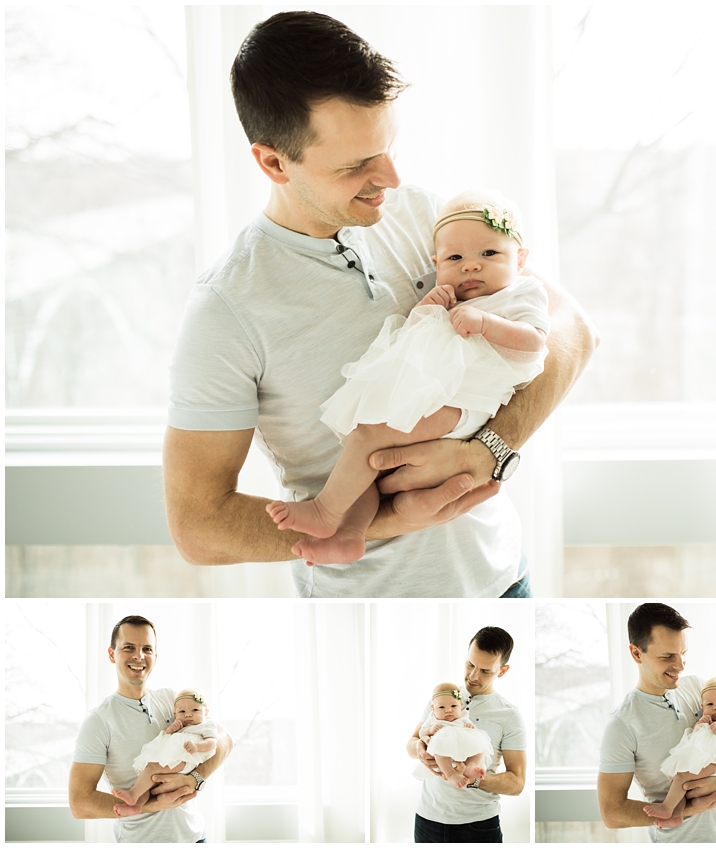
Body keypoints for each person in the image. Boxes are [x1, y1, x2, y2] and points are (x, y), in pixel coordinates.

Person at [163, 10, 599, 598]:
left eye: (388, 148)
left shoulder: (426, 217)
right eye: (355, 166)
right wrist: (388, 521)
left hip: (505, 579)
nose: (389, 178)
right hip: (366, 607)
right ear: (272, 162)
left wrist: (489, 450)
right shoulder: (228, 309)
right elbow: (198, 528)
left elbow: (571, 328)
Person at [265, 189, 549, 565]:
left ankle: (324, 512)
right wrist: (425, 310)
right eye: (454, 258)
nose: (470, 266)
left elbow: (535, 346)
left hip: (465, 405)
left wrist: (487, 324)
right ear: (436, 261)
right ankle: (350, 535)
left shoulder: (522, 293)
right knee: (362, 448)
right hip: (434, 397)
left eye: (489, 254)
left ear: (521, 259)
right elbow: (414, 341)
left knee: (368, 438)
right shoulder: (450, 297)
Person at [597, 604, 716, 843]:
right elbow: (612, 813)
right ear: (637, 654)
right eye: (668, 656)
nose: (681, 665)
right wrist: (690, 808)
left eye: (683, 653)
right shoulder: (622, 724)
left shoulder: (699, 688)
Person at [69, 616, 234, 843]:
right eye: (129, 647)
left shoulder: (172, 700)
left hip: (196, 839)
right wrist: (153, 805)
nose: (139, 656)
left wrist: (194, 778)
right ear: (111, 654)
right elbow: (80, 803)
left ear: (155, 657)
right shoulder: (98, 721)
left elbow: (225, 739)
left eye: (147, 648)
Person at [407, 626, 525, 843]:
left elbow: (517, 783)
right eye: (470, 664)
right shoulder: (442, 698)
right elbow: (412, 742)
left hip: (478, 826)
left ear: (502, 671)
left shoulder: (509, 715)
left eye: (485, 671)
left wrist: (473, 779)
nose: (473, 676)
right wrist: (419, 749)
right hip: (427, 820)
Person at [642, 677, 716, 826]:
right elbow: (695, 737)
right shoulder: (709, 720)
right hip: (705, 759)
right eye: (710, 704)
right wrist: (699, 725)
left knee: (681, 777)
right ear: (702, 706)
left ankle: (667, 807)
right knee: (678, 780)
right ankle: (676, 815)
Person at [112, 690, 218, 817]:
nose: (188, 715)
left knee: (151, 768)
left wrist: (198, 746)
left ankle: (133, 794)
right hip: (177, 758)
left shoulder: (206, 725)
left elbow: (213, 742)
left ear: (206, 712)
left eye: (195, 710)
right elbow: (165, 740)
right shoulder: (180, 727)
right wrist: (170, 730)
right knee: (149, 781)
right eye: (182, 712)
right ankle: (136, 806)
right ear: (175, 714)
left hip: (186, 760)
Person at [416, 682, 494, 788]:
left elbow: (474, 731)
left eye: (453, 706)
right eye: (441, 707)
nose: (448, 710)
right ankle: (450, 773)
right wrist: (430, 730)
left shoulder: (463, 716)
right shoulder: (433, 718)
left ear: (460, 705)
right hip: (444, 746)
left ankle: (472, 765)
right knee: (439, 749)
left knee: (481, 745)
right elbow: (421, 732)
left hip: (463, 745)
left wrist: (472, 728)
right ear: (433, 708)